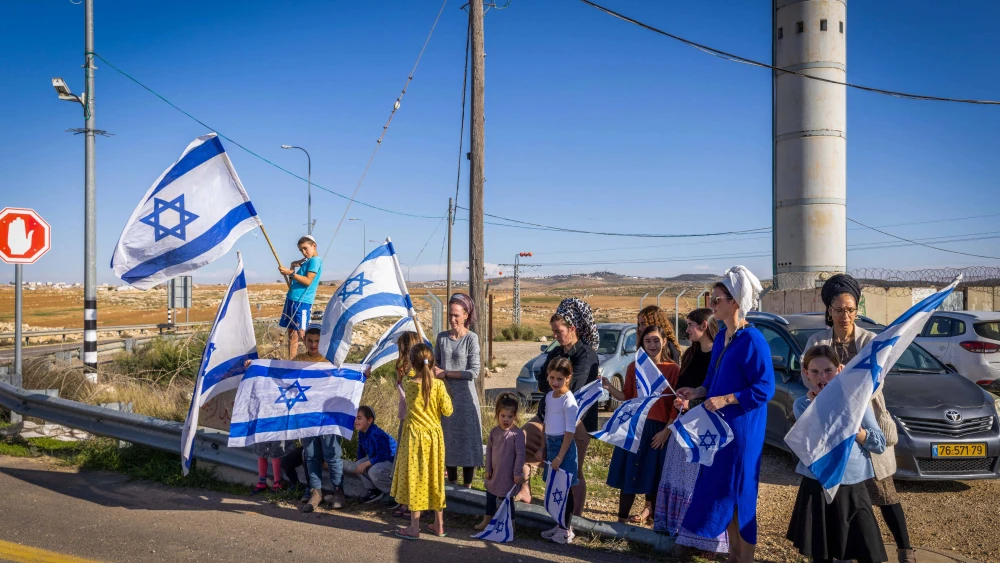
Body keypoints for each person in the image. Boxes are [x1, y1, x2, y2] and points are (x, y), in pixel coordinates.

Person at [804, 274, 915, 563]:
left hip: (867, 421)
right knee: (844, 495)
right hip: (834, 427)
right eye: (839, 310)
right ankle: (845, 551)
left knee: (884, 490)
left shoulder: (869, 341)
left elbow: (877, 382)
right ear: (829, 310)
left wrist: (854, 387)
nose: (845, 315)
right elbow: (809, 377)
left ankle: (906, 549)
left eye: (851, 309)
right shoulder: (817, 340)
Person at [675, 266, 775, 563]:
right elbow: (713, 378)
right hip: (720, 431)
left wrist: (728, 399)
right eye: (711, 298)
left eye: (717, 299)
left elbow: (765, 388)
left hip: (742, 431)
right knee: (723, 495)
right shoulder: (721, 339)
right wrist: (698, 391)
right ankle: (733, 556)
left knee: (741, 496)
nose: (711, 304)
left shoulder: (753, 340)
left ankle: (745, 558)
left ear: (735, 301)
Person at [786, 345, 888, 563]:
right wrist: (817, 407)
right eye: (815, 372)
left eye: (828, 370)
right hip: (818, 484)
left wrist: (855, 429)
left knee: (867, 551)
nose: (822, 377)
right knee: (822, 553)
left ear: (840, 369)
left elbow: (879, 444)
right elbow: (811, 446)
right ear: (806, 373)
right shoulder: (802, 405)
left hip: (851, 485)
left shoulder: (857, 402)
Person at [654, 308, 729, 554]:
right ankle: (679, 531)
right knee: (678, 479)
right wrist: (680, 401)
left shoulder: (718, 358)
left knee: (696, 484)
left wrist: (693, 402)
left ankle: (701, 541)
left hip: (704, 430)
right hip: (683, 426)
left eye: (689, 325)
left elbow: (715, 393)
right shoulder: (690, 355)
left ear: (704, 326)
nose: (685, 330)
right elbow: (682, 387)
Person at [518, 298, 599, 515]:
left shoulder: (587, 355)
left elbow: (572, 388)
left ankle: (575, 515)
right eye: (553, 331)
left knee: (572, 470)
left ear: (572, 329)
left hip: (575, 421)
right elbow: (544, 383)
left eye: (558, 331)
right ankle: (525, 490)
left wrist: (554, 385)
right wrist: (554, 384)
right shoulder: (556, 352)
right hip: (548, 417)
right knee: (521, 440)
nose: (555, 335)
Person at [603, 325, 679, 525]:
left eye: (656, 340)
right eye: (648, 341)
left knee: (653, 475)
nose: (652, 345)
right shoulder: (634, 367)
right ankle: (620, 523)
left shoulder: (673, 370)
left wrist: (666, 432)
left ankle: (653, 524)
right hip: (635, 427)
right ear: (642, 344)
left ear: (664, 342)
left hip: (657, 430)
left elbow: (675, 407)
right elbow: (627, 397)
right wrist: (609, 387)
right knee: (630, 474)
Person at [391, 344, 453, 540]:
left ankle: (414, 527)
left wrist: (404, 375)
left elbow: (404, 401)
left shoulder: (409, 385)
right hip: (434, 438)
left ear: (412, 363)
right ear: (432, 362)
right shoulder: (439, 386)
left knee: (416, 479)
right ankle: (439, 524)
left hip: (414, 439)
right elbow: (448, 411)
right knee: (436, 478)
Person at [291, 326, 345, 513]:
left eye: (317, 341)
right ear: (305, 341)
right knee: (311, 454)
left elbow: (346, 380)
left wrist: (363, 372)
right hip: (307, 416)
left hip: (329, 415)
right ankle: (316, 491)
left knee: (332, 453)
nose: (313, 345)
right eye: (310, 341)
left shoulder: (332, 360)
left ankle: (338, 491)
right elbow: (285, 379)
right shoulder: (298, 361)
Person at [434, 293, 484, 487]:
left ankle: (468, 488)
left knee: (467, 442)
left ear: (466, 315)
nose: (453, 319)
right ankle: (452, 487)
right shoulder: (442, 338)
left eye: (457, 315)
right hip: (446, 398)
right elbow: (435, 364)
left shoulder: (472, 339)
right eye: (450, 315)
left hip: (466, 400)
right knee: (449, 442)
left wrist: (446, 373)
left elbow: (474, 372)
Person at [536, 358, 580, 545]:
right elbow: (546, 424)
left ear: (568, 378)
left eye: (559, 379)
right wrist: (542, 447)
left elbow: (570, 431)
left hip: (564, 448)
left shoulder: (569, 401)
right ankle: (559, 524)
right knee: (555, 487)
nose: (554, 382)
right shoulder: (549, 396)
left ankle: (566, 530)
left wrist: (560, 456)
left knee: (565, 488)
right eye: (552, 377)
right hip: (551, 444)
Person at [475, 393, 526, 532]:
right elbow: (490, 451)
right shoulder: (494, 432)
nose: (506, 419)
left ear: (515, 416)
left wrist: (517, 472)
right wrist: (488, 468)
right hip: (495, 472)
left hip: (508, 475)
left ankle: (511, 524)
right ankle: (487, 520)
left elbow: (520, 454)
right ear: (497, 414)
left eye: (510, 416)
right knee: (490, 496)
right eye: (503, 416)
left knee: (507, 501)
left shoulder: (517, 434)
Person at [391, 331, 423, 519]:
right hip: (407, 415)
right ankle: (404, 499)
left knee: (413, 460)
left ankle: (413, 501)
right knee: (405, 460)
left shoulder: (420, 369)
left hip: (416, 417)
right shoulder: (403, 367)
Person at [278, 235, 323, 359]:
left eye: (305, 248)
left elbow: (308, 281)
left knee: (302, 332)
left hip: (302, 302)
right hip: (292, 299)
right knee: (292, 333)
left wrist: (290, 273)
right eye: (301, 250)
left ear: (314, 246)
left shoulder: (315, 261)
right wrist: (292, 266)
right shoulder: (308, 261)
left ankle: (315, 358)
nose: (303, 252)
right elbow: (295, 282)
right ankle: (292, 360)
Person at [353, 405, 398, 504]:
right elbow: (361, 451)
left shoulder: (376, 434)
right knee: (357, 465)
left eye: (359, 418)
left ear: (369, 420)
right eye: (355, 418)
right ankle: (373, 490)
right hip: (380, 459)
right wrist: (360, 463)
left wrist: (366, 464)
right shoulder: (362, 433)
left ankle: (393, 493)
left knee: (374, 471)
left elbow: (384, 454)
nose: (356, 421)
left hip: (392, 460)